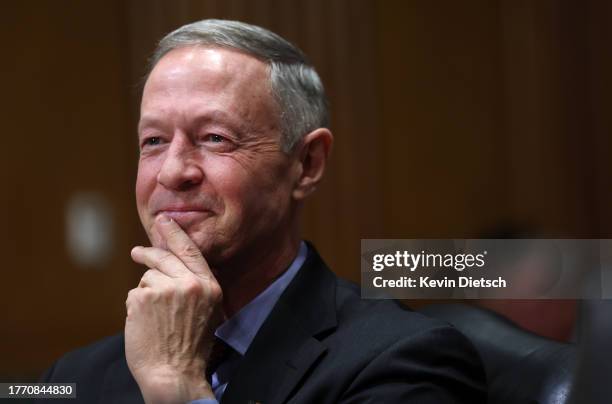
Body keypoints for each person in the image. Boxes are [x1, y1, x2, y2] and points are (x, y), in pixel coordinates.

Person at [40, 19, 486, 403]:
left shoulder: (404, 362)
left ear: (307, 164)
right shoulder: (73, 379)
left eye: (215, 137)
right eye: (154, 141)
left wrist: (178, 387)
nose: (173, 172)